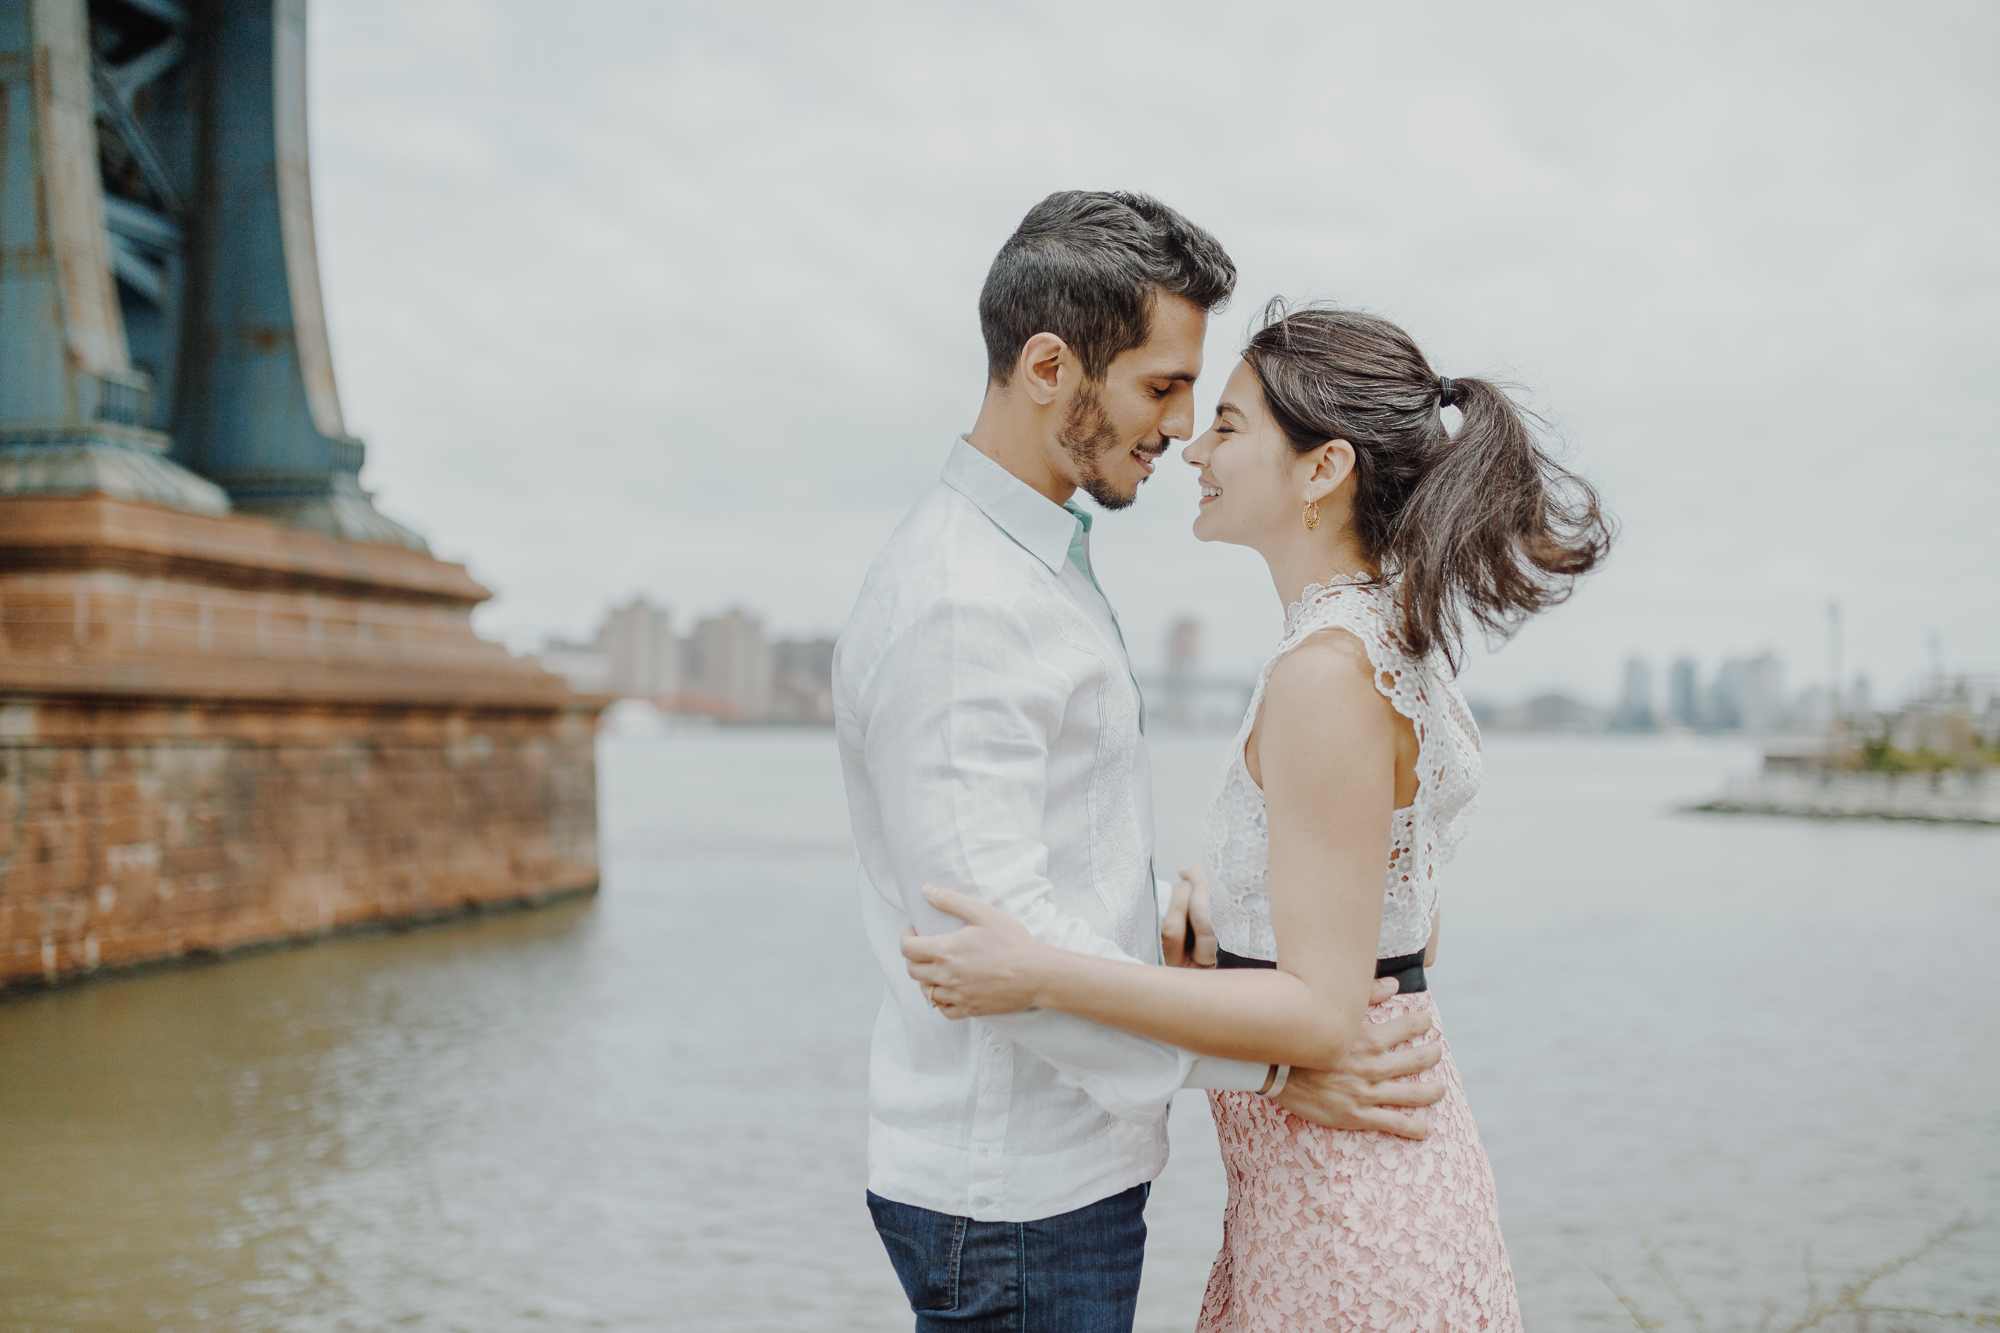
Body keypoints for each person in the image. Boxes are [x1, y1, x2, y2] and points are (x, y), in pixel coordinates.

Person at [901, 301, 1611, 1331]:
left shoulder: (1326, 673)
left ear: (1321, 469)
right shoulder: (1373, 642)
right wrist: (1222, 948)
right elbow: (1397, 934)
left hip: (1349, 1209)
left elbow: (1321, 1015)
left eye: (1228, 424)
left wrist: (1039, 973)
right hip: (1341, 1179)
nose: (1192, 445)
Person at [832, 194, 1449, 1333]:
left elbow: (1047, 873)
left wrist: (1163, 909)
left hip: (1061, 1174)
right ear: (1049, 366)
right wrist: (1271, 1070)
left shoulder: (1040, 567)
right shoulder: (966, 605)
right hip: (1012, 1190)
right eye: (1161, 388)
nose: (1178, 430)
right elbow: (992, 949)